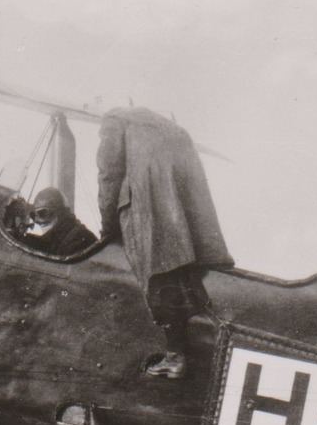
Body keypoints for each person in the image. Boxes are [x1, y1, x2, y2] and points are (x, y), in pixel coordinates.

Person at [97, 106, 233, 379]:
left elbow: (108, 175)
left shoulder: (115, 119)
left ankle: (174, 356)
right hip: (184, 214)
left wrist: (106, 227)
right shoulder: (169, 126)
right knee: (178, 269)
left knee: (157, 272)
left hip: (149, 208)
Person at [22, 186, 99, 256]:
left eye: (43, 213)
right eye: (34, 215)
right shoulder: (59, 237)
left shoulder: (80, 239)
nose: (38, 220)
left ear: (61, 213)